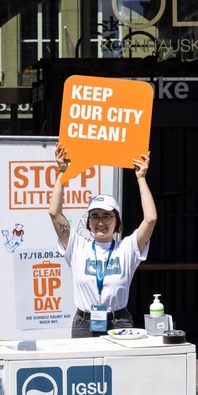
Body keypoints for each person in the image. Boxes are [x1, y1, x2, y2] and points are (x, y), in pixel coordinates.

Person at [48, 144, 157, 337]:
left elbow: (150, 219)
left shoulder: (127, 248)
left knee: (120, 369)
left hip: (119, 322)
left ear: (117, 223)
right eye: (95, 216)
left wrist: (141, 178)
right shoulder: (77, 246)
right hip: (84, 323)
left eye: (107, 216)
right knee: (82, 368)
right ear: (88, 223)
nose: (100, 222)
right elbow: (54, 213)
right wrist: (61, 173)